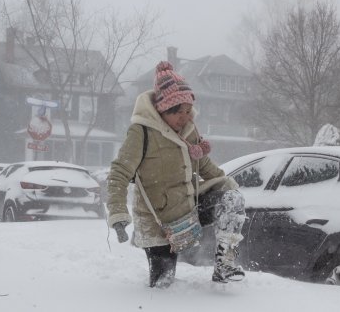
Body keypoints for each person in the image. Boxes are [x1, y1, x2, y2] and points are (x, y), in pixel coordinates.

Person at [106, 61, 247, 288]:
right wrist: (118, 214)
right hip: (158, 221)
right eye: (178, 112)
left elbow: (205, 166)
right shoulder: (141, 131)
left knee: (232, 198)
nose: (186, 117)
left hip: (189, 208)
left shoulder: (189, 132)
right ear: (163, 109)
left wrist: (231, 186)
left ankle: (225, 264)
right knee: (163, 284)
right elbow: (119, 173)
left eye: (188, 110)